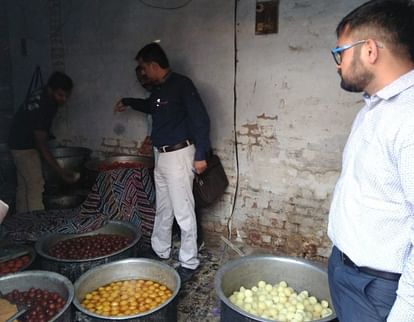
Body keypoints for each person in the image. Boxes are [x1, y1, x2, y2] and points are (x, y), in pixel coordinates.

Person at [327, 0, 414, 321]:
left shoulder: (409, 118)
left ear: (370, 50)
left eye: (340, 52)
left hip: (379, 288)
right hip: (347, 270)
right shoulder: (373, 109)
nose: (337, 63)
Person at [114, 43, 210, 282]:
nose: (142, 72)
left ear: (154, 65)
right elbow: (150, 106)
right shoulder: (159, 90)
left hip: (179, 155)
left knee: (184, 211)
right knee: (164, 208)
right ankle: (161, 250)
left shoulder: (182, 85)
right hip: (162, 156)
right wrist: (128, 101)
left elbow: (201, 120)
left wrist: (201, 156)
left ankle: (189, 261)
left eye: (143, 67)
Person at [8, 71, 79, 214]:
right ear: (51, 89)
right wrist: (60, 170)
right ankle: (38, 227)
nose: (64, 99)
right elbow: (41, 144)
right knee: (36, 185)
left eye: (66, 95)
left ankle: (22, 222)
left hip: (15, 142)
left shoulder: (41, 93)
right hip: (24, 147)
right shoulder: (46, 105)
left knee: (24, 185)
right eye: (60, 95)